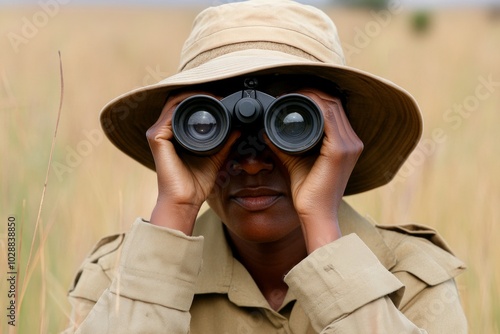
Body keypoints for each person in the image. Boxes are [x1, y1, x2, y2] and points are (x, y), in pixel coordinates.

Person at [64, 0, 468, 332]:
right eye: (208, 125)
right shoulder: (120, 278)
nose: (253, 165)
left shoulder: (411, 278)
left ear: (340, 138)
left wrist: (323, 228)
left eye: (294, 123)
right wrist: (176, 210)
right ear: (175, 137)